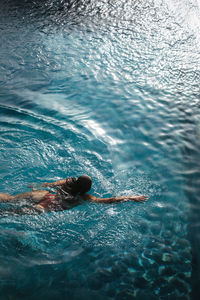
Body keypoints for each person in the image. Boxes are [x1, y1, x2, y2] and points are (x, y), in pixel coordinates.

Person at [0, 175, 147, 214]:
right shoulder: (84, 197)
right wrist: (131, 197)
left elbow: (49, 185)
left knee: (10, 199)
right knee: (9, 213)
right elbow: (110, 200)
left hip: (42, 194)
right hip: (47, 205)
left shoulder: (68, 182)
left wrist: (39, 186)